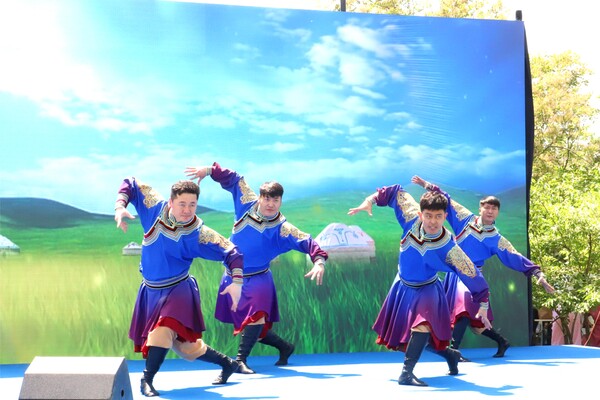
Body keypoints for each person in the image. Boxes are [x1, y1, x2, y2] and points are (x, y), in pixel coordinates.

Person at [184, 162, 328, 375]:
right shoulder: (246, 203)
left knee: (256, 317)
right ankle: (285, 347)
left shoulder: (283, 229)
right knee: (251, 326)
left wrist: (319, 261)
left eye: (275, 200)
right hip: (233, 276)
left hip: (260, 279)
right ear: (260, 198)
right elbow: (235, 179)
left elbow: (307, 241)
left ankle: (240, 360)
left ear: (280, 201)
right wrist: (209, 171)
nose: (270, 204)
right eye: (267, 199)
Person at [348, 184, 491, 387]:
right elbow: (394, 192)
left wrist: (483, 304)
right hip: (403, 286)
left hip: (428, 289)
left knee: (422, 326)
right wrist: (369, 201)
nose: (433, 221)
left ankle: (406, 374)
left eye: (438, 216)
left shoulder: (450, 247)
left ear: (445, 216)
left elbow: (471, 272)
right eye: (428, 215)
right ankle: (449, 354)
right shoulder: (410, 218)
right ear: (420, 213)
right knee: (423, 338)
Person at [114, 177, 244, 397]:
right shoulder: (153, 208)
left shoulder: (199, 233)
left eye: (192, 205)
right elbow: (131, 183)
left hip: (178, 291)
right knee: (187, 347)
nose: (187, 210)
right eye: (182, 204)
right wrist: (119, 206)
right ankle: (228, 364)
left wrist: (237, 283)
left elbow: (233, 252)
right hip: (150, 291)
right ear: (171, 202)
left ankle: (146, 379)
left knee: (162, 330)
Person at [412, 176, 555, 359]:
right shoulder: (465, 219)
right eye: (487, 207)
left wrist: (537, 273)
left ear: (497, 213)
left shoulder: (496, 239)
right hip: (454, 275)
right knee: (475, 321)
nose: (490, 211)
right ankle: (502, 341)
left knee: (463, 308)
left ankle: (454, 351)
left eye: (494, 208)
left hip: (472, 277)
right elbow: (447, 199)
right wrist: (426, 185)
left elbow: (515, 256)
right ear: (480, 208)